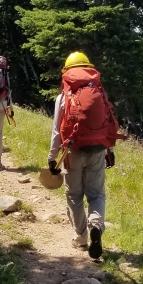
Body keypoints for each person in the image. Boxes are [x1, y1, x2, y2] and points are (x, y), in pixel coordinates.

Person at [47, 51, 120, 260]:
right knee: (96, 194)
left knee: (74, 195)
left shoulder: (63, 97)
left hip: (73, 150)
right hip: (98, 149)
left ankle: (81, 238)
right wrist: (110, 150)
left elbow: (56, 131)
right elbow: (108, 123)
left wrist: (52, 157)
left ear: (67, 72)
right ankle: (96, 224)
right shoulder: (99, 92)